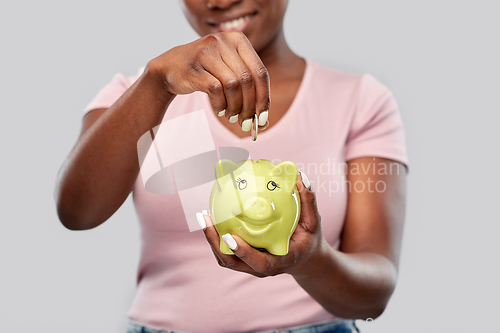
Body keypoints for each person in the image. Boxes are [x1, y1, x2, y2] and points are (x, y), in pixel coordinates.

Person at [55, 0, 408, 332]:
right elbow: (77, 213)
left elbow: (373, 296)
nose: (220, 1)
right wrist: (156, 84)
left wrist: (312, 260)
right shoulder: (137, 94)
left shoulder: (360, 100)